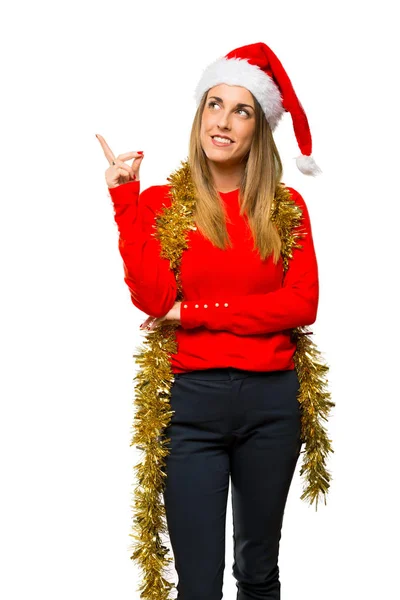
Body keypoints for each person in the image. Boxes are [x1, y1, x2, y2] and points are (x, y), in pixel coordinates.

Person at [97, 42, 334, 600]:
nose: (223, 122)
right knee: (198, 584)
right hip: (191, 404)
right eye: (213, 105)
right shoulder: (163, 203)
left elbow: (301, 305)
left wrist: (198, 313)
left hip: (273, 404)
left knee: (257, 571)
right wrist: (125, 199)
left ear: (260, 128)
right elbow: (155, 298)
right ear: (199, 115)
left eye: (242, 110)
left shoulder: (285, 208)